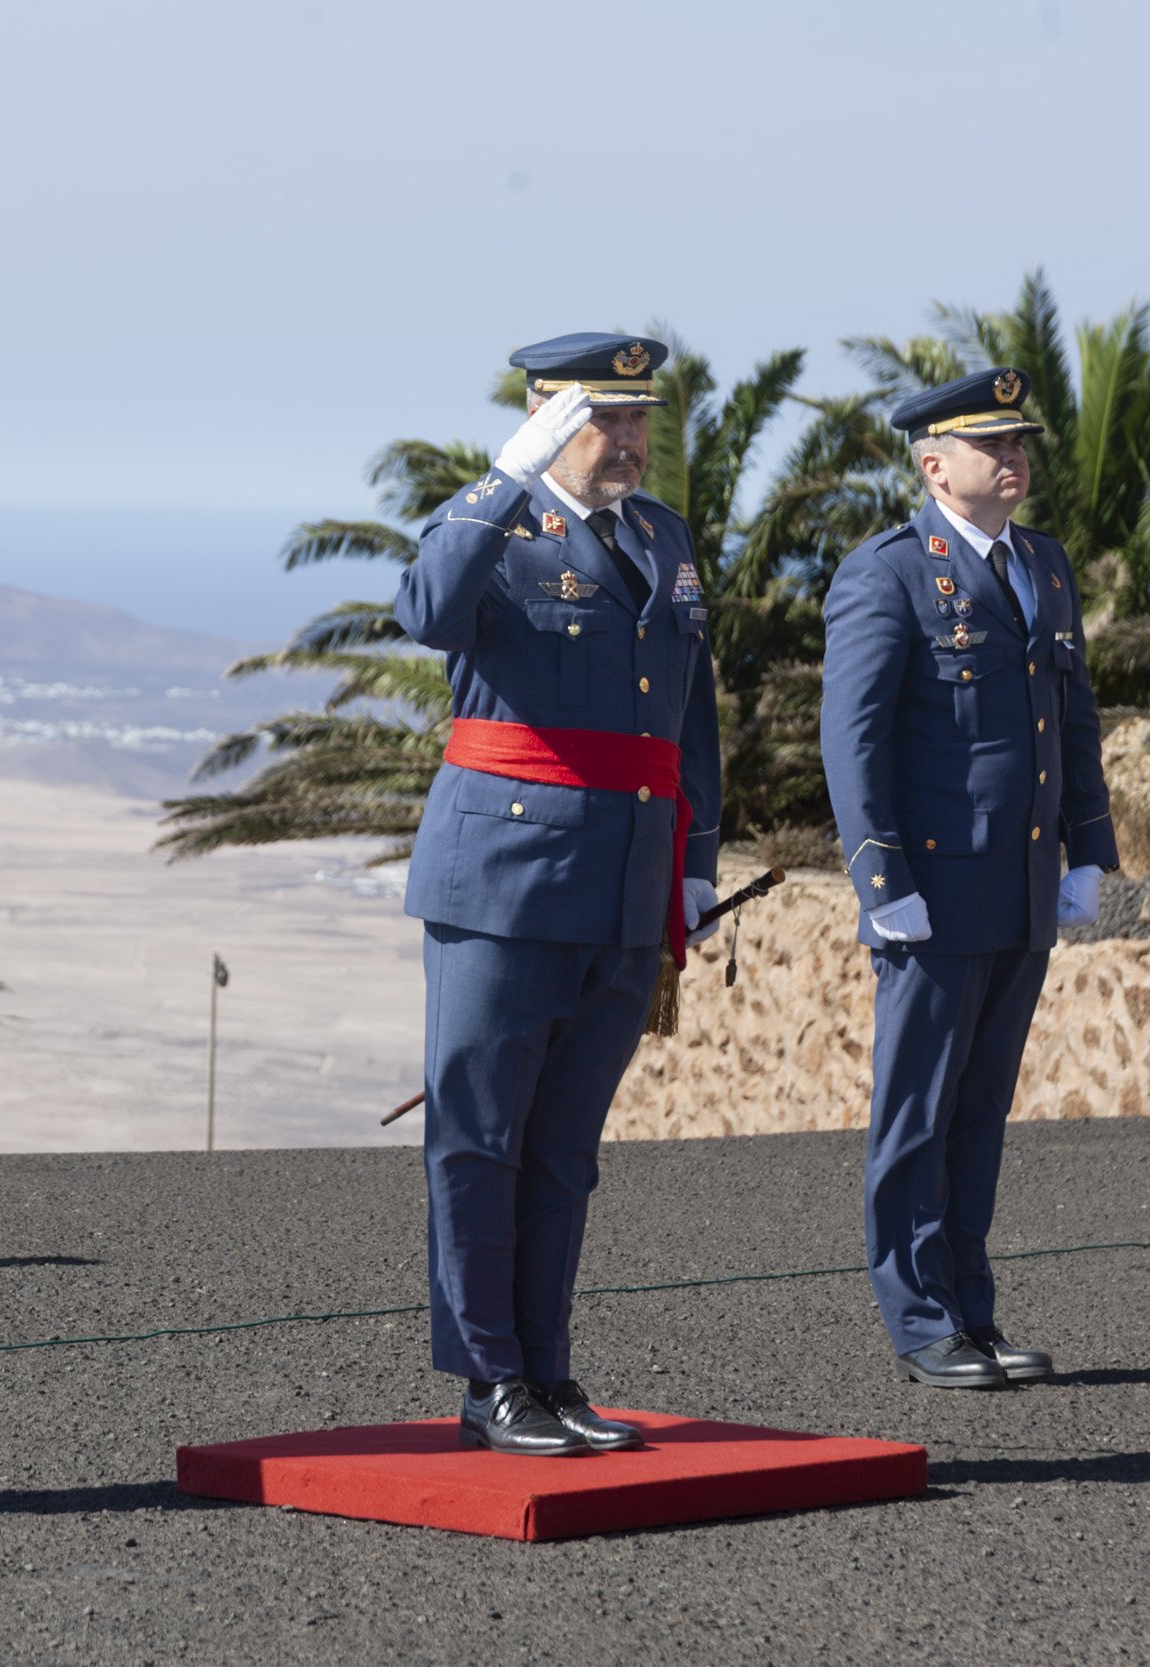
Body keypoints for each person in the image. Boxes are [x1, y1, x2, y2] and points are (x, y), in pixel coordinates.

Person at [395, 333, 723, 1454]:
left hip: (623, 883)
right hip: (503, 880)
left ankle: (547, 1367)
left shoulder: (661, 536)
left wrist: (694, 860)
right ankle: (489, 1375)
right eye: (602, 419)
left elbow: (691, 713)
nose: (627, 440)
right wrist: (506, 474)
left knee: (564, 1144)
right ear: (544, 419)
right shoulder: (490, 527)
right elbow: (426, 608)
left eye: (638, 420)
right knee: (479, 1135)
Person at [818, 367, 1118, 1390]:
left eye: (1019, 443)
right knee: (917, 1115)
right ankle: (917, 1320)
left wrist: (1086, 847)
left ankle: (971, 1310)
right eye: (992, 446)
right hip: (932, 891)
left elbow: (1070, 715)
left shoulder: (1042, 562)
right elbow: (852, 742)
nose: (1014, 459)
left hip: (1021, 885)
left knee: (979, 1113)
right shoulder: (889, 573)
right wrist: (878, 877)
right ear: (933, 464)